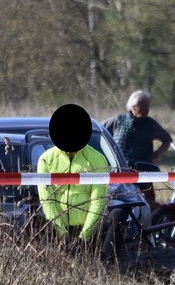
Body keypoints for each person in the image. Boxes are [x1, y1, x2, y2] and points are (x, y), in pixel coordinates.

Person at [36, 103, 124, 263]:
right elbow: (47, 200)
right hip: (57, 227)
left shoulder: (98, 159)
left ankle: (105, 266)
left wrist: (84, 237)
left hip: (87, 226)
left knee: (117, 215)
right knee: (33, 218)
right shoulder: (46, 160)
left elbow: (98, 201)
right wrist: (62, 236)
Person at [103, 90, 173, 167]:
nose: (147, 109)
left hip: (141, 171)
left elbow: (168, 139)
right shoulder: (118, 120)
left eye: (148, 106)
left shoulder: (151, 124)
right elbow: (99, 131)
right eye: (143, 106)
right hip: (119, 169)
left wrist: (156, 154)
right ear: (133, 107)